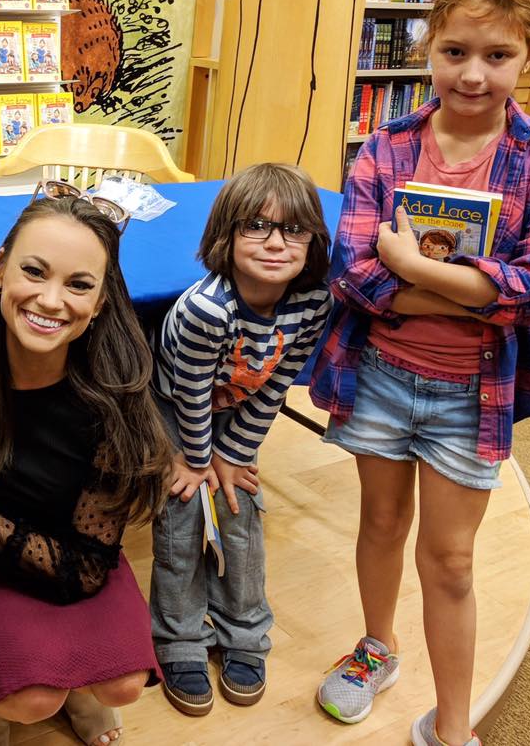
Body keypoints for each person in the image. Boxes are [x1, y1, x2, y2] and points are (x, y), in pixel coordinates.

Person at [309, 0, 530, 746]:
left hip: (474, 394)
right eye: (454, 51)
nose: (471, 74)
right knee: (380, 525)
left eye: (496, 56)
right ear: (428, 48)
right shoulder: (388, 147)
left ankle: (454, 724)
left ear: (528, 56)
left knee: (453, 561)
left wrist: (416, 267)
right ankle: (376, 648)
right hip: (382, 376)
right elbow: (355, 277)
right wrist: (469, 294)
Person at [0, 192, 174, 746]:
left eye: (79, 284)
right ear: (2, 268)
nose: (51, 300)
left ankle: (75, 686)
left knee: (125, 684)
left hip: (69, 556)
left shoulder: (111, 400)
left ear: (101, 302)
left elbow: (85, 569)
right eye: (34, 270)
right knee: (30, 699)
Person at [149, 163, 332, 716]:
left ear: (312, 241)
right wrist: (200, 463)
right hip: (174, 408)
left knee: (240, 506)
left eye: (293, 230)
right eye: (256, 226)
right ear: (225, 237)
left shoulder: (313, 303)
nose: (276, 243)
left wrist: (235, 458)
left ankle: (245, 630)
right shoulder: (207, 309)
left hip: (236, 405)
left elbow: (277, 384)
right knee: (183, 510)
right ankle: (179, 635)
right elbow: (190, 391)